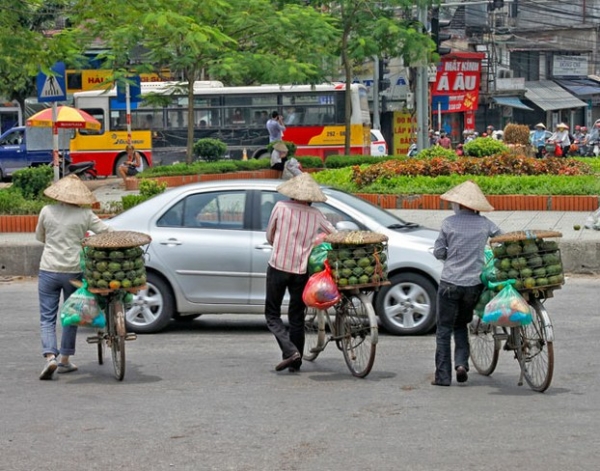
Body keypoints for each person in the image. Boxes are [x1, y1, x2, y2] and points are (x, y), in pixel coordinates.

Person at [36, 174, 113, 380]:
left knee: (47, 317)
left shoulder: (46, 211)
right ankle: (65, 360)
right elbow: (105, 231)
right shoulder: (85, 215)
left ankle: (50, 357)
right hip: (73, 271)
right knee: (71, 315)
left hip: (49, 269)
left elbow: (39, 237)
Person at [432, 180, 502, 386]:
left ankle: (443, 377)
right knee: (461, 324)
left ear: (459, 205)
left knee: (444, 329)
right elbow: (502, 238)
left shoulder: (448, 223)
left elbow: (439, 252)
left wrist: (447, 253)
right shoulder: (485, 224)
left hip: (449, 283)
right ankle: (461, 364)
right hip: (473, 285)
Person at [265, 173, 336, 372]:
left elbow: (270, 234)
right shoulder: (315, 214)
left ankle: (290, 351)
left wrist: (279, 244)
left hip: (278, 266)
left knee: (272, 314)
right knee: (296, 316)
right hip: (300, 270)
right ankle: (296, 362)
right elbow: (333, 233)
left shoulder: (280, 207)